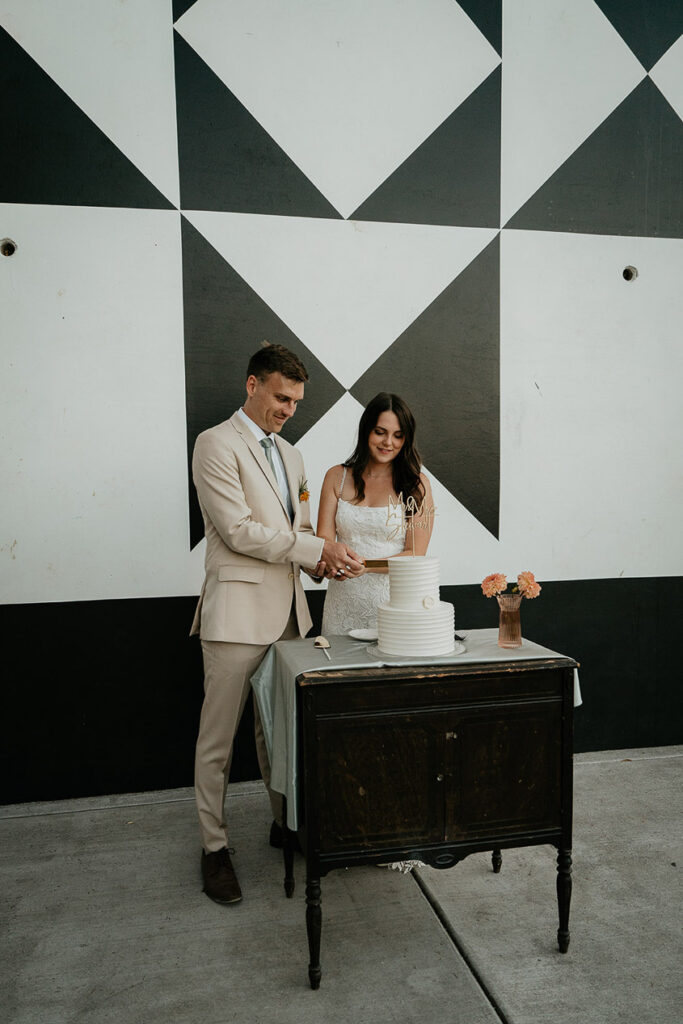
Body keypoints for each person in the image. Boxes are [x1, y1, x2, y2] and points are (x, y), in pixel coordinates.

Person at [190, 343, 363, 905]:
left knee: (279, 734)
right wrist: (316, 546)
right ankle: (214, 849)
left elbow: (301, 530)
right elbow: (239, 531)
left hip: (291, 616)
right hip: (236, 617)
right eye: (280, 396)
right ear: (252, 385)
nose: (289, 409)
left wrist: (329, 560)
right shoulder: (215, 444)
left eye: (296, 401)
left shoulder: (292, 457)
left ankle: (283, 826)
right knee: (219, 741)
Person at [317, 392, 434, 637]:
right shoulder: (336, 478)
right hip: (342, 602)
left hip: (395, 604)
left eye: (398, 435)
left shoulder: (417, 484)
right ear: (366, 430)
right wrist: (331, 566)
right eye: (380, 432)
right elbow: (324, 543)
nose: (388, 442)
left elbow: (415, 553)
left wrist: (367, 566)